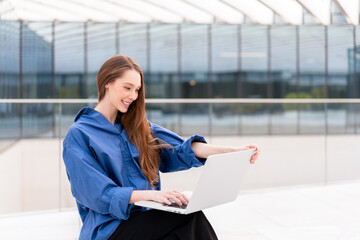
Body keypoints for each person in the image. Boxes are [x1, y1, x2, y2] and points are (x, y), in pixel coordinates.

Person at [62, 54, 260, 240]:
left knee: (182, 228)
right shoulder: (79, 135)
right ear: (107, 83)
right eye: (127, 87)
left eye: (137, 90)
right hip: (109, 229)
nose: (133, 95)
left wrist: (233, 151)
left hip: (148, 220)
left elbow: (181, 149)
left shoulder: (139, 126)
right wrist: (155, 195)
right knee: (189, 218)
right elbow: (97, 194)